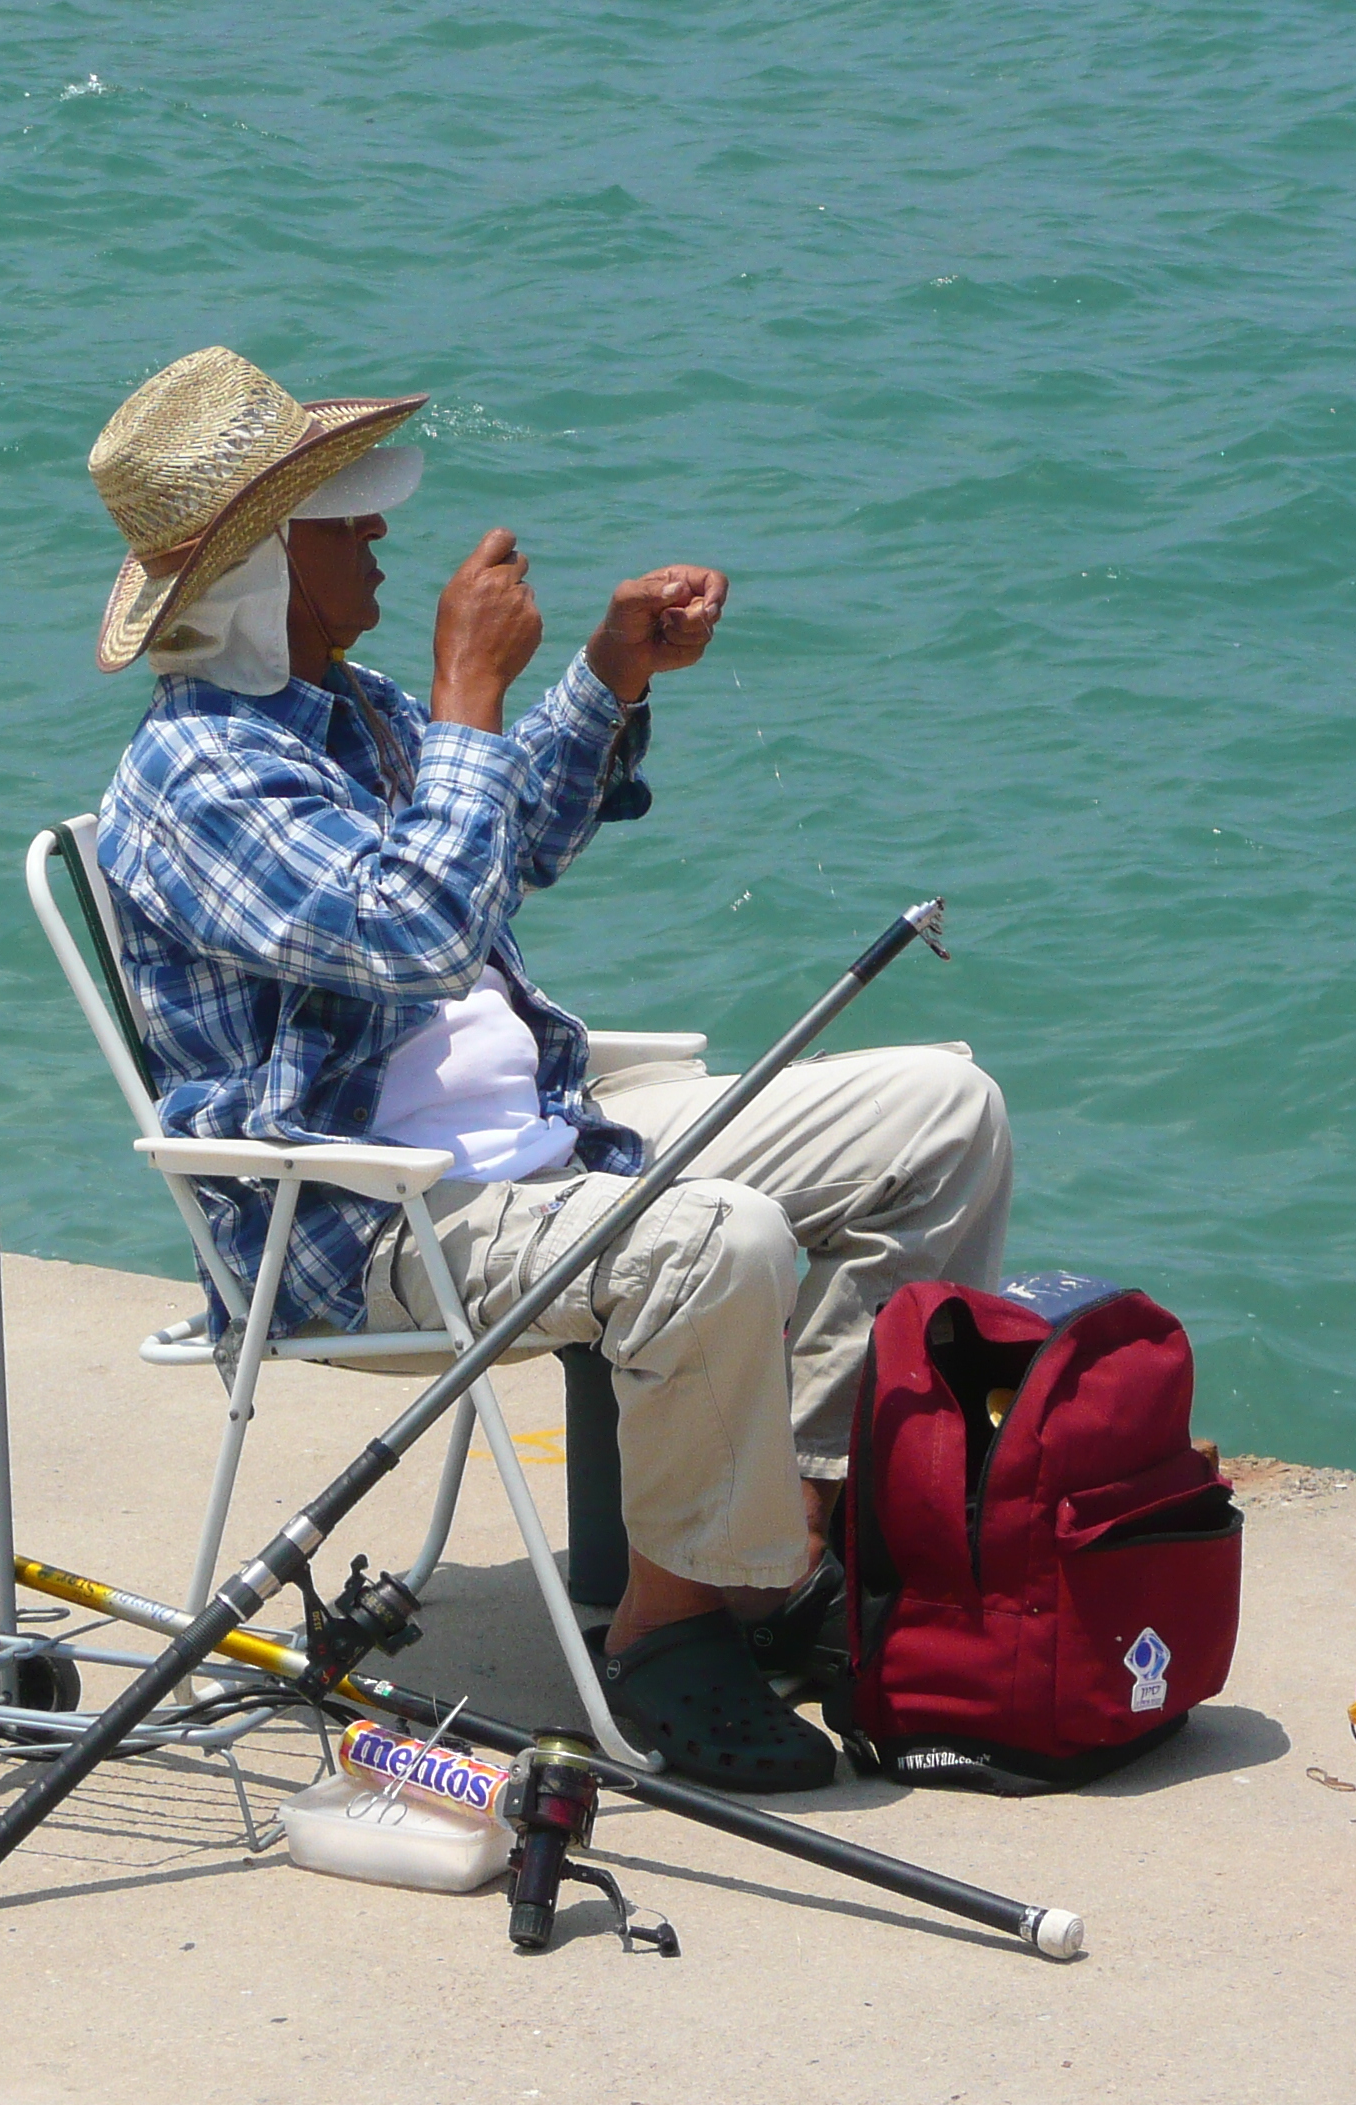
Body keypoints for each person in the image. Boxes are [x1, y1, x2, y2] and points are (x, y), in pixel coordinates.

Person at [87, 347, 1010, 1789]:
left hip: (542, 1138)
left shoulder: (346, 710)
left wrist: (603, 676)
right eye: (343, 517)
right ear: (267, 566)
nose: (379, 532)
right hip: (373, 1214)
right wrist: (464, 694)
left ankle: (789, 1552)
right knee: (720, 1239)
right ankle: (668, 1634)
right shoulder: (201, 776)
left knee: (941, 1116)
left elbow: (503, 847)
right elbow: (417, 928)